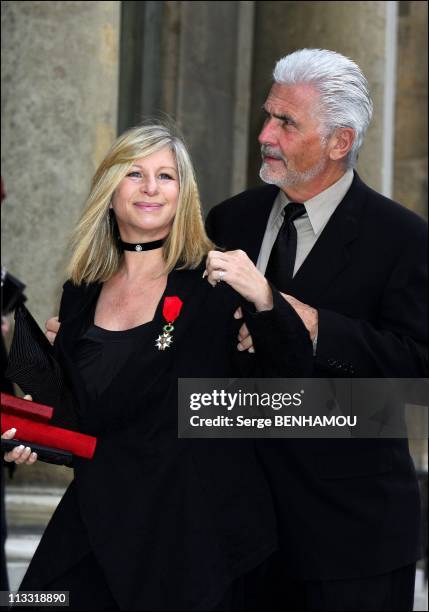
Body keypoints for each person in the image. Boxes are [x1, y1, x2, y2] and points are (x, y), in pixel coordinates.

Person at [2, 122, 313, 610]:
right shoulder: (81, 291)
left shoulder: (217, 280)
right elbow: (79, 415)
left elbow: (289, 383)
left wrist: (267, 302)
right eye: (134, 173)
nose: (151, 188)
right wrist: (30, 437)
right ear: (109, 192)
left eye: (166, 176)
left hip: (191, 534)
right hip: (101, 516)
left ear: (182, 194)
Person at [203, 48, 427, 611]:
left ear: (339, 142)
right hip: (234, 532)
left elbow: (417, 370)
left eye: (285, 122)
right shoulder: (230, 220)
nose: (265, 135)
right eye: (267, 115)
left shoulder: (403, 238)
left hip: (351, 543)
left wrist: (311, 327)